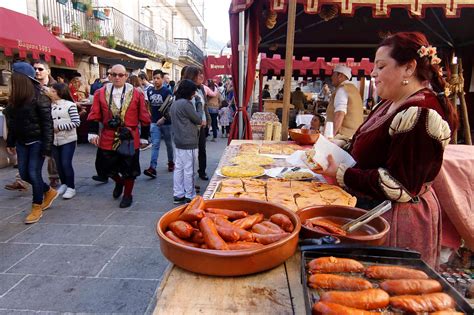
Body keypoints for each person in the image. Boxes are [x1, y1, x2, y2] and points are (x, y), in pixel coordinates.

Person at [321, 32, 456, 267]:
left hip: (397, 221)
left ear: (409, 68)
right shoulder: (390, 103)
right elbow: (369, 145)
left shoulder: (420, 113)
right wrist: (340, 145)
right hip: (375, 212)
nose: (373, 73)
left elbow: (399, 185)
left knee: (389, 289)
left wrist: (342, 172)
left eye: (381, 66)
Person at [87, 64, 151, 208]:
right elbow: (94, 114)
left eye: (120, 75)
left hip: (129, 136)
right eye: (113, 74)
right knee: (104, 166)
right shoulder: (99, 93)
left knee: (129, 169)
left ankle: (128, 194)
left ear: (126, 76)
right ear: (109, 75)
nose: (117, 77)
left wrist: (144, 137)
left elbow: (144, 116)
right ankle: (119, 182)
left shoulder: (137, 93)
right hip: (108, 135)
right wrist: (92, 132)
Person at [4, 62, 58, 223]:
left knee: (33, 173)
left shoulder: (40, 97)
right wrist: (11, 142)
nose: (10, 81)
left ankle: (36, 206)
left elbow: (48, 124)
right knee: (25, 173)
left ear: (21, 80)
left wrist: (47, 148)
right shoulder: (14, 99)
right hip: (22, 142)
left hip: (37, 141)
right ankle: (49, 191)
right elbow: (13, 123)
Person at [170, 79, 202, 204]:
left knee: (179, 168)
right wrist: (199, 103)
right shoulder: (186, 104)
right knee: (190, 169)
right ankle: (190, 194)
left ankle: (178, 194)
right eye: (194, 91)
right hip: (189, 141)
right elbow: (198, 119)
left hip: (178, 141)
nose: (194, 93)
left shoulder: (175, 103)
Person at [49, 83, 80, 199]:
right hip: (54, 140)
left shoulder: (70, 105)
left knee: (66, 163)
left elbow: (76, 122)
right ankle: (64, 183)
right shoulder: (49, 105)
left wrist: (60, 127)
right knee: (58, 164)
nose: (51, 93)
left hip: (68, 139)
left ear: (59, 92)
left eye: (53, 91)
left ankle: (71, 187)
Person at [33, 60, 60, 188]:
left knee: (51, 152)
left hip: (52, 122)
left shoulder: (57, 86)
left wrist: (50, 93)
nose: (37, 71)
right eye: (35, 69)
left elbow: (65, 102)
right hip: (35, 122)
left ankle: (54, 176)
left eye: (40, 69)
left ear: (48, 71)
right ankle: (22, 178)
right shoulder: (31, 84)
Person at [182, 66, 213, 181]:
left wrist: (208, 121)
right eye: (199, 74)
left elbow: (205, 107)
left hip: (202, 126)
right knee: (190, 154)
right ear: (192, 76)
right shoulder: (184, 89)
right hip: (191, 126)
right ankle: (188, 181)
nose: (202, 76)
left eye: (202, 74)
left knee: (202, 149)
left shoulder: (201, 89)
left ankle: (202, 171)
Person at [144, 69, 174, 177]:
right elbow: (149, 104)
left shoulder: (167, 91)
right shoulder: (150, 91)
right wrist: (149, 114)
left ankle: (171, 162)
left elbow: (171, 108)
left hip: (167, 123)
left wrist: (164, 119)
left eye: (158, 78)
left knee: (168, 144)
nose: (156, 80)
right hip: (154, 123)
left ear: (162, 79)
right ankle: (152, 168)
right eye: (154, 78)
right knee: (155, 145)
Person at [325, 65, 364, 147]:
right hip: (353, 136)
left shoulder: (343, 89)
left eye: (333, 74)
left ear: (340, 75)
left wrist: (332, 136)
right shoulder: (354, 89)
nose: (331, 77)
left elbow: (339, 113)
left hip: (343, 137)